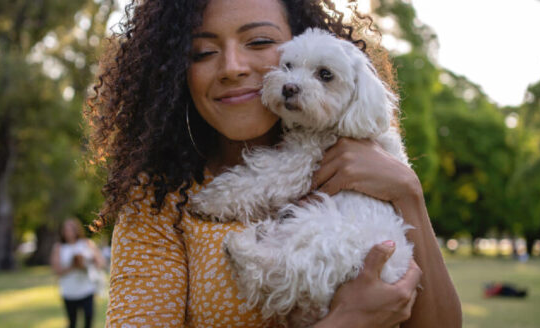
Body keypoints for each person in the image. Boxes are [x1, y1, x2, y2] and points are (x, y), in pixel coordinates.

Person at [86, 0, 462, 326]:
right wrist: (347, 321)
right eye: (202, 52)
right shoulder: (157, 201)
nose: (232, 67)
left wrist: (408, 192)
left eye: (259, 42)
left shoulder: (374, 163)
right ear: (175, 72)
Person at [51, 219, 106, 328]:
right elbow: (56, 270)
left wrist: (88, 263)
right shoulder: (59, 247)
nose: (69, 233)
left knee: (88, 319)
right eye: (66, 230)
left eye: (71, 230)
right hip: (69, 291)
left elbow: (101, 262)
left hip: (87, 289)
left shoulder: (86, 243)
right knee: (72, 322)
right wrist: (73, 266)